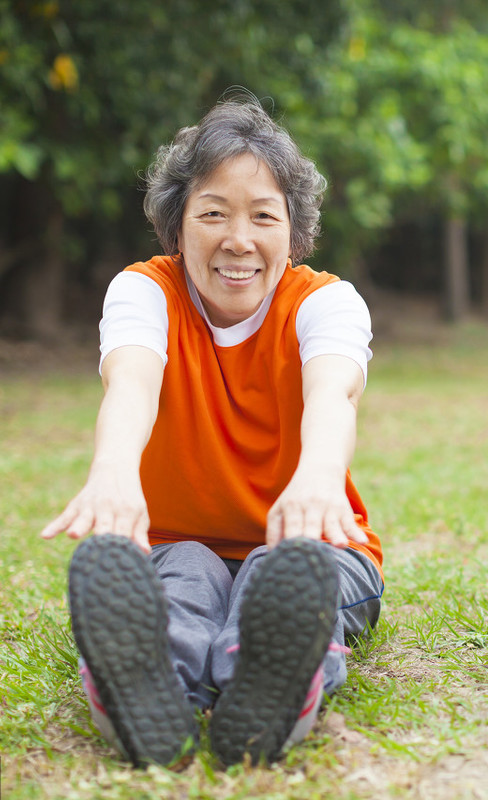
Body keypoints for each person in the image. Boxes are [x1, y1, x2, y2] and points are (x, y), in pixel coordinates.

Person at [40, 91, 384, 769]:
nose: (238, 239)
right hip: (178, 541)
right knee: (186, 577)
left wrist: (317, 477)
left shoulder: (327, 303)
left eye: (263, 216)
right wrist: (111, 471)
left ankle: (276, 679)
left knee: (279, 571)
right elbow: (132, 382)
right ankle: (144, 689)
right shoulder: (144, 291)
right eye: (213, 214)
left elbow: (334, 394)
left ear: (294, 231)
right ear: (177, 227)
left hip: (313, 544)